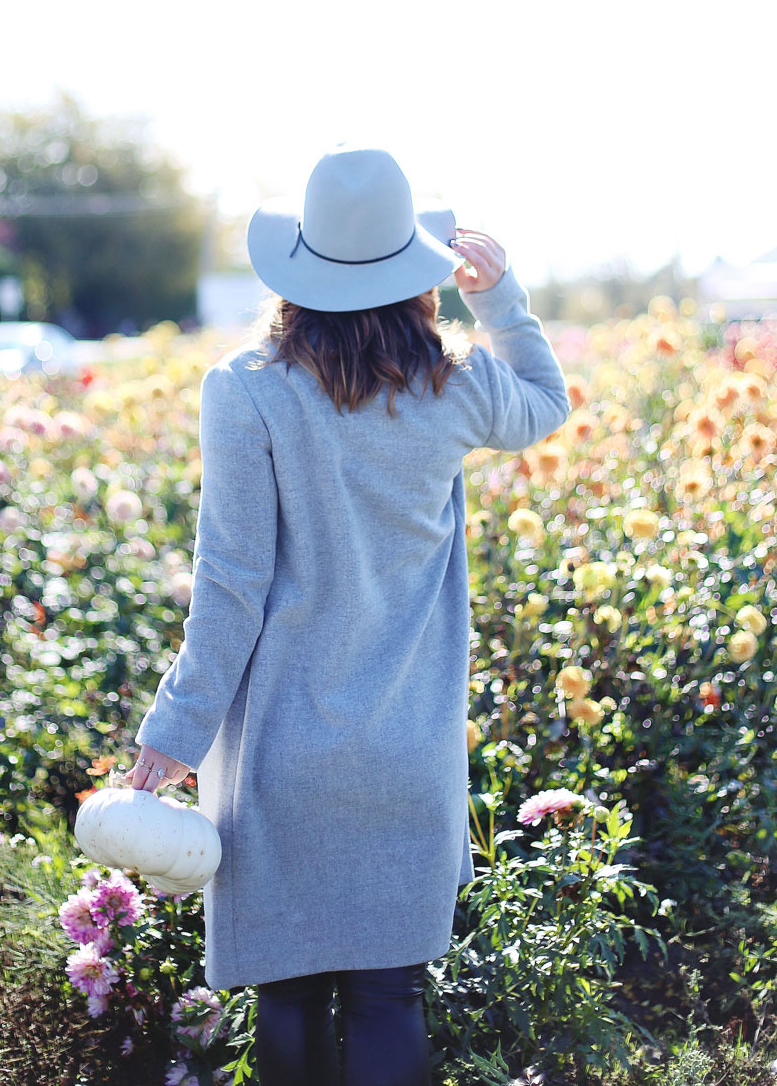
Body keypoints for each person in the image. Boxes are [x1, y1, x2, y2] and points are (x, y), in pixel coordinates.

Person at [122, 144, 572, 1086]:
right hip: (408, 752)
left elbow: (231, 587)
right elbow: (545, 403)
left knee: (287, 992)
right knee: (388, 994)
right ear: (418, 273)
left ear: (299, 269)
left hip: (284, 752)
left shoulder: (247, 389)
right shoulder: (456, 386)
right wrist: (500, 297)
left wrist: (174, 735)